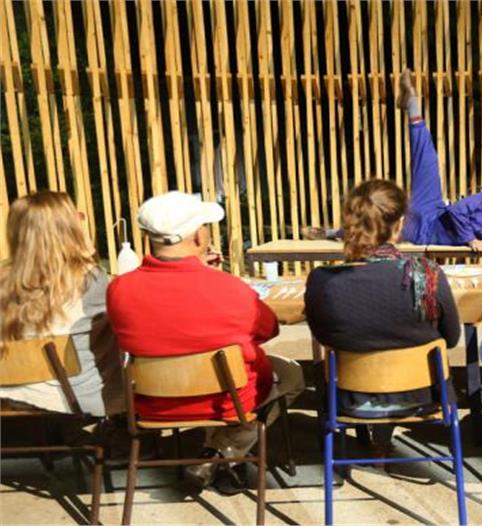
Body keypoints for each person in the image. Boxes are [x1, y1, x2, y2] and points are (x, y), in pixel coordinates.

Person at [107, 191, 304, 492]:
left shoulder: (119, 289)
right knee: (292, 375)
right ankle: (224, 452)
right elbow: (268, 330)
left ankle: (219, 452)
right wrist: (210, 274)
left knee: (222, 372)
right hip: (226, 401)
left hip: (154, 403)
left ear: (148, 237)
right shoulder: (230, 289)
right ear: (199, 236)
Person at [303, 69, 482, 252]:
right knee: (428, 160)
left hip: (424, 231)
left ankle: (329, 232)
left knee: (382, 227)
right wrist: (469, 239)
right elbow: (457, 210)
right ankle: (412, 106)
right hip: (435, 208)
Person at [305, 179, 461, 454]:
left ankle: (366, 442)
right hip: (424, 397)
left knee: (323, 367)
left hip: (349, 401)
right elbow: (451, 338)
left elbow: (323, 336)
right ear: (399, 225)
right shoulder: (428, 276)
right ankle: (382, 441)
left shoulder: (323, 281)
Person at [0, 191, 123, 418]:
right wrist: (87, 251)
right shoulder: (90, 279)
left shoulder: (3, 281)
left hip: (9, 397)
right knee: (118, 331)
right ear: (69, 228)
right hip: (72, 400)